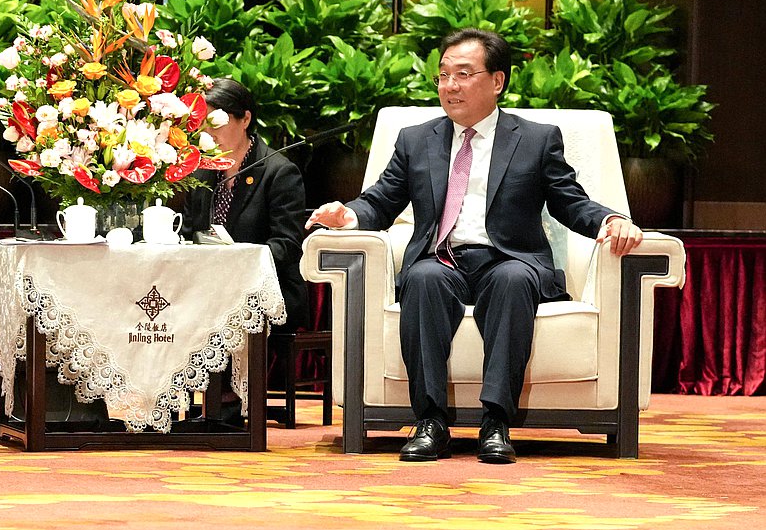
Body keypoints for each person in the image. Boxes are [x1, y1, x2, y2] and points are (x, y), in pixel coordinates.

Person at [305, 28, 643, 464]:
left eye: (463, 74)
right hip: (441, 257)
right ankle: (430, 422)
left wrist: (613, 219)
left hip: (508, 258)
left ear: (497, 81)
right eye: (443, 75)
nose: (450, 86)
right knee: (423, 279)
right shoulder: (416, 139)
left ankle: (496, 423)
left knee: (513, 281)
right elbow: (381, 200)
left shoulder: (537, 139)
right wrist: (345, 216)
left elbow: (569, 201)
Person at [181, 77, 308, 332]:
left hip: (266, 294)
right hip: (207, 290)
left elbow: (287, 246)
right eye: (202, 125)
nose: (208, 133)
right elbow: (186, 234)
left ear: (245, 120)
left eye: (216, 122)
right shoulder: (201, 173)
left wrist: (236, 264)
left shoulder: (279, 172)